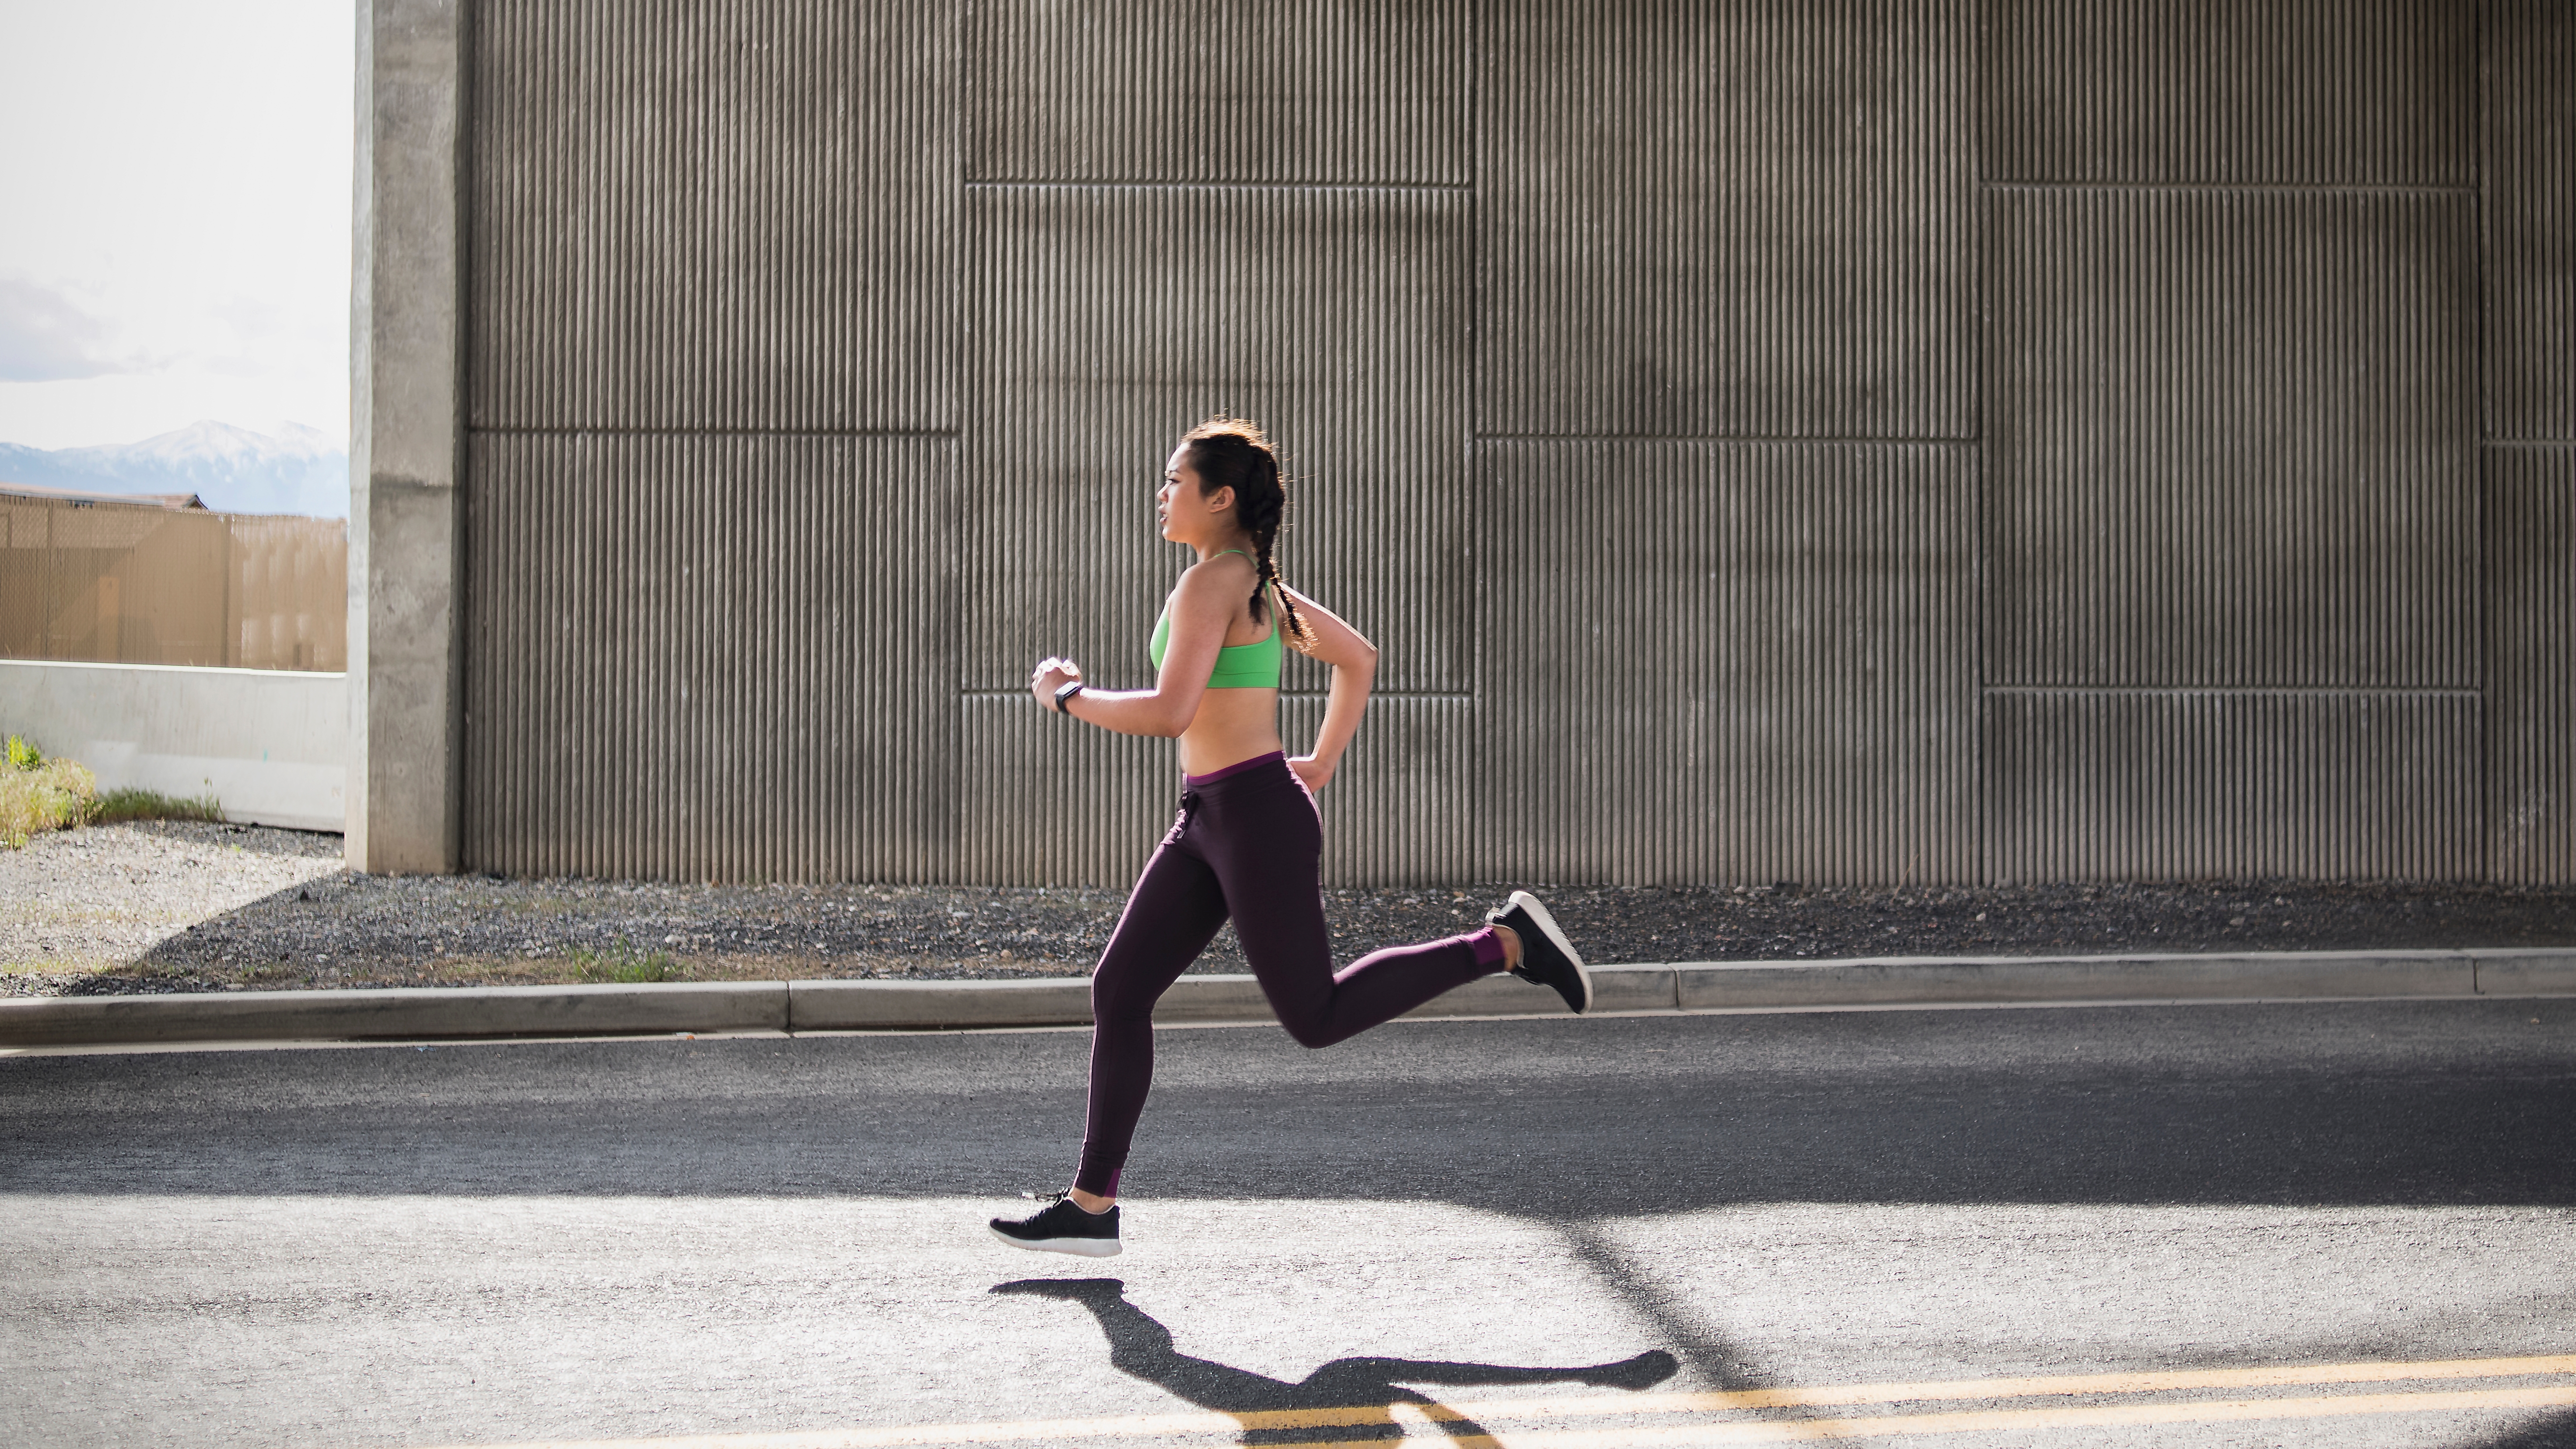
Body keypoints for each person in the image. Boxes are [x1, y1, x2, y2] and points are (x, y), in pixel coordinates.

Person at [989, 417, 1591, 1259]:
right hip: (1214, 816)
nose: (1162, 494)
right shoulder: (1252, 583)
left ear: (1220, 497)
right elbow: (1361, 658)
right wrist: (1320, 763)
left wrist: (1068, 696)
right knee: (1120, 990)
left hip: (1253, 818)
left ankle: (1504, 944)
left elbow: (1170, 712)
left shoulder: (1215, 585)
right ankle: (1093, 1207)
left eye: (1175, 481)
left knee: (1316, 1013)